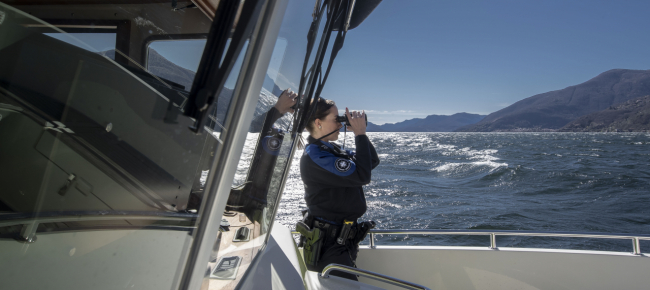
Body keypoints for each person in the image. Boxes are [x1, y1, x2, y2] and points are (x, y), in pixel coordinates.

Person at [299, 97, 380, 280]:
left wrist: (361, 134)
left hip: (341, 241)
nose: (341, 123)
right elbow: (362, 175)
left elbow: (371, 162)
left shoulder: (330, 150)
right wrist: (359, 134)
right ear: (318, 123)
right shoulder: (317, 156)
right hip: (329, 244)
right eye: (336, 119)